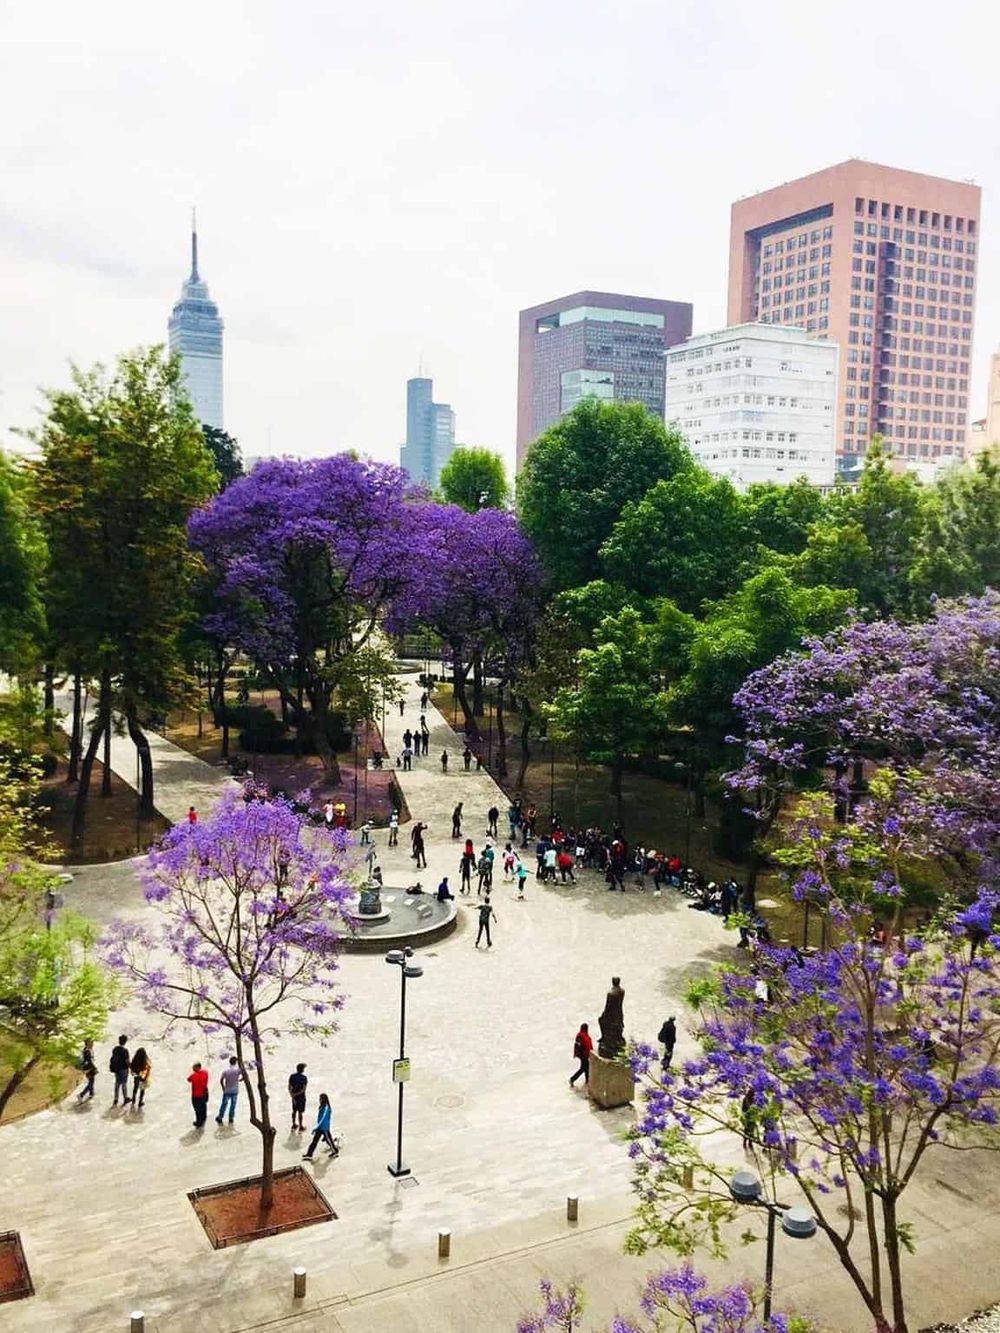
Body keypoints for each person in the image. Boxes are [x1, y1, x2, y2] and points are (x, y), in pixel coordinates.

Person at [302, 1092, 338, 1159]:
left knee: (329, 1141)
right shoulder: (322, 1107)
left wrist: (316, 1127)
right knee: (314, 1141)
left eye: (320, 1099)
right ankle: (309, 1154)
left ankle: (335, 1151)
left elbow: (323, 1118)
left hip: (324, 1128)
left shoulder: (326, 1108)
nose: (319, 1100)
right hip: (320, 1127)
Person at [215, 1055, 241, 1125]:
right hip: (235, 1090)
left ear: (229, 1062)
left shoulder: (226, 1071)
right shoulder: (238, 1070)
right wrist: (240, 1080)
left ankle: (220, 1117)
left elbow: (221, 1080)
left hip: (227, 1090)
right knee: (233, 1105)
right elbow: (245, 1075)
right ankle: (231, 1118)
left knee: (224, 1104)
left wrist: (223, 1088)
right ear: (236, 1062)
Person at [109, 1034, 131, 1106]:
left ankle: (116, 1099)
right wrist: (131, 1067)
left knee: (117, 1083)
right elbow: (127, 1061)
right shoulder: (125, 1051)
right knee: (124, 1084)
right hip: (123, 1069)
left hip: (116, 1069)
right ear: (125, 1042)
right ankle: (125, 1098)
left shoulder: (115, 1049)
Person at [570, 1022, 593, 1087]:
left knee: (586, 1068)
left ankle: (587, 1081)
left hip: (586, 1054)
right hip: (583, 1055)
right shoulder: (581, 1035)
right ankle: (572, 1079)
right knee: (583, 1068)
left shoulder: (584, 1035)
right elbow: (579, 1045)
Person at [188, 1062, 210, 1128]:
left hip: (196, 1095)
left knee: (197, 1109)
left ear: (198, 1067)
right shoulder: (206, 1072)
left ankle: (199, 1122)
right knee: (203, 1106)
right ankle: (204, 1117)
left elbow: (188, 1079)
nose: (193, 1069)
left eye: (194, 1067)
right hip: (205, 1092)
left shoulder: (194, 1075)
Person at [288, 1063, 308, 1131]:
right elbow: (303, 1089)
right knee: (300, 1112)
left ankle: (293, 1124)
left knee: (294, 1110)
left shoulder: (292, 1076)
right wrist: (296, 1094)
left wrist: (292, 1095)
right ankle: (300, 1126)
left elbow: (289, 1087)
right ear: (302, 1070)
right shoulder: (304, 1078)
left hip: (294, 1096)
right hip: (301, 1097)